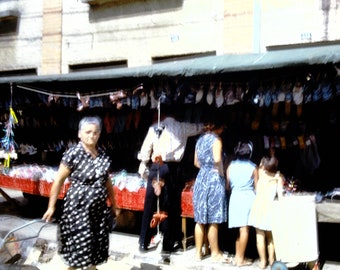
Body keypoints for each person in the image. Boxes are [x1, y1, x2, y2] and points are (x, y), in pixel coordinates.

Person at [42, 116, 118, 270]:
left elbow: (107, 181)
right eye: (88, 132)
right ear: (79, 134)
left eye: (95, 132)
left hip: (98, 211)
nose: (92, 135)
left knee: (95, 248)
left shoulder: (102, 154)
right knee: (79, 250)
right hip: (78, 210)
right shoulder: (73, 154)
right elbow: (58, 181)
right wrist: (51, 207)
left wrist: (114, 204)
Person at [137, 102, 203, 255]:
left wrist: (143, 162)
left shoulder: (154, 128)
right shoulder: (183, 127)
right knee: (170, 206)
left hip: (156, 168)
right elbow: (199, 127)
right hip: (172, 169)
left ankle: (143, 242)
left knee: (150, 205)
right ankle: (167, 245)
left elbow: (145, 150)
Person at [193, 117, 229, 262]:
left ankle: (198, 253)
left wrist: (205, 167)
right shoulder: (217, 140)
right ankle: (215, 253)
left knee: (200, 219)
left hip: (201, 178)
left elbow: (196, 162)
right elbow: (217, 159)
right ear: (218, 128)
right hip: (214, 179)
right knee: (214, 218)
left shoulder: (199, 140)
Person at [248, 154, 285, 269]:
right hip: (270, 209)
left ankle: (263, 262)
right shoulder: (278, 178)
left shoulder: (260, 173)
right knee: (270, 237)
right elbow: (281, 196)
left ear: (263, 166)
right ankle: (271, 260)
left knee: (260, 236)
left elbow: (262, 165)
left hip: (258, 207)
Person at [226, 141, 258, 267]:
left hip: (235, 198)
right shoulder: (253, 167)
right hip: (247, 198)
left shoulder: (230, 166)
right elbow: (257, 188)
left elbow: (227, 186)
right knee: (245, 229)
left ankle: (238, 257)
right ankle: (240, 259)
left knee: (239, 230)